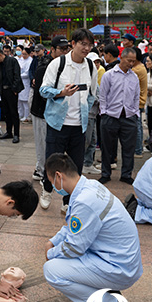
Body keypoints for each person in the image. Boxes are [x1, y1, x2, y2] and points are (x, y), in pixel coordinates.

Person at [42, 153, 143, 302]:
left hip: (118, 267)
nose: (53, 186)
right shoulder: (90, 186)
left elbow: (74, 247)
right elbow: (72, 226)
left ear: (58, 176)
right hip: (120, 260)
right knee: (63, 257)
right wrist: (53, 241)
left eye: (51, 182)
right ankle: (106, 291)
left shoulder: (84, 201)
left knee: (52, 270)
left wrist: (50, 254)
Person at [39, 29, 98, 209]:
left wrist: (85, 111)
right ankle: (47, 190)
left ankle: (68, 201)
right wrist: (61, 93)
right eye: (83, 44)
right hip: (58, 124)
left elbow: (92, 94)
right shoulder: (58, 63)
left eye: (89, 45)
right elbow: (43, 90)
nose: (86, 48)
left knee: (75, 167)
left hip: (79, 126)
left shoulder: (90, 66)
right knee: (52, 161)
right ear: (73, 44)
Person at [98, 47, 140, 184]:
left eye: (133, 61)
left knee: (129, 148)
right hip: (110, 116)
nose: (131, 64)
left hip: (129, 117)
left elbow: (136, 97)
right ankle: (106, 173)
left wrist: (135, 113)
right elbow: (102, 95)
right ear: (121, 58)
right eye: (129, 60)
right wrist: (103, 113)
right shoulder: (109, 75)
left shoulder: (134, 77)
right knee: (107, 148)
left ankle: (126, 174)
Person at [31, 36, 69, 184]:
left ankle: (48, 169)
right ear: (52, 49)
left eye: (67, 49)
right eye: (61, 49)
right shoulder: (45, 66)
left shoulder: (64, 64)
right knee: (43, 143)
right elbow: (42, 93)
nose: (65, 51)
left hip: (56, 111)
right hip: (42, 112)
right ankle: (41, 171)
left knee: (52, 144)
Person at [0, 47, 23, 143]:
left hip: (11, 90)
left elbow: (17, 76)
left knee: (13, 112)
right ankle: (9, 132)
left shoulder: (12, 61)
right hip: (3, 91)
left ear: (0, 55)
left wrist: (15, 89)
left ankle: (16, 134)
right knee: (6, 113)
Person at [17, 47, 33, 122]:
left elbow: (27, 73)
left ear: (29, 54)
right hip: (20, 81)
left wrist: (19, 76)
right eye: (22, 54)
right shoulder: (21, 60)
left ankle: (26, 115)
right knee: (20, 100)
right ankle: (21, 114)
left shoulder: (30, 61)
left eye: (25, 54)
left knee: (25, 100)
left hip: (26, 82)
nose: (23, 55)